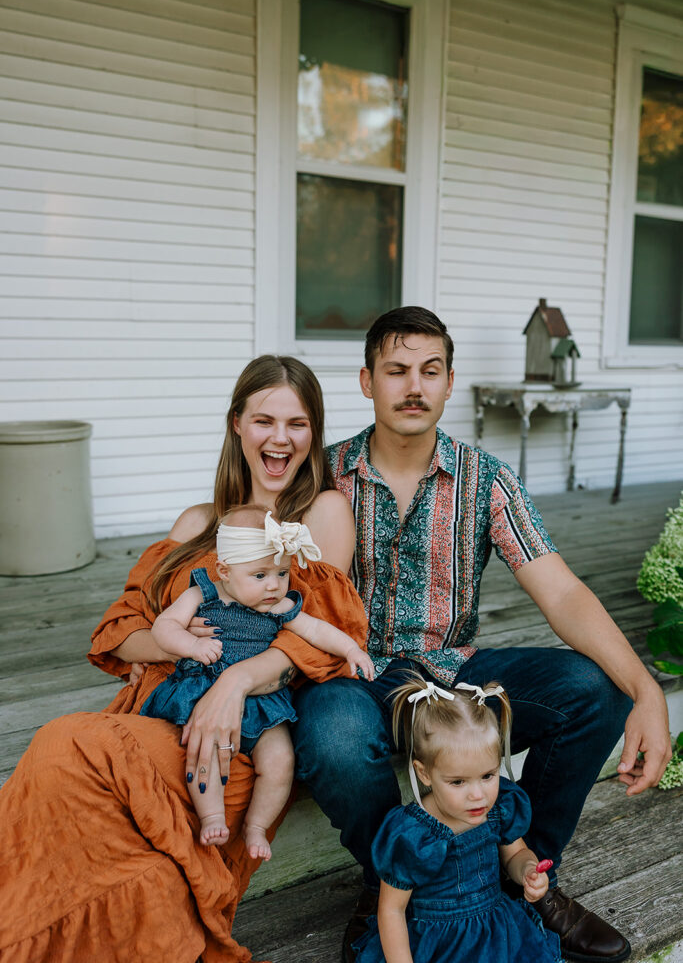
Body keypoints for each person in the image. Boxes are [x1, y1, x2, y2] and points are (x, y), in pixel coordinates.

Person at [292, 306, 672, 963]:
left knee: (593, 688)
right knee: (331, 735)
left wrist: (646, 691)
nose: (413, 386)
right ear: (366, 381)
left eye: (429, 371)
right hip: (352, 672)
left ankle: (524, 876)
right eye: (396, 370)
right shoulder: (321, 476)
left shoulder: (484, 478)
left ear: (447, 381)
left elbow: (559, 590)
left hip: (453, 676)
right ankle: (387, 882)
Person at [0, 355, 369, 963]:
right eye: (264, 420)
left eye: (298, 424)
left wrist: (233, 683)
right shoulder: (196, 523)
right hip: (160, 707)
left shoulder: (317, 516)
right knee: (64, 775)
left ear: (314, 433)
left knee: (64, 744)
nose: (280, 438)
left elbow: (317, 633)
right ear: (236, 426)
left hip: (236, 734)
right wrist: (176, 637)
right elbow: (119, 632)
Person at [141, 504, 373, 854]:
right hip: (204, 688)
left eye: (282, 573)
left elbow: (316, 629)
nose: (274, 585)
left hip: (263, 702)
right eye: (260, 575)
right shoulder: (202, 593)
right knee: (204, 751)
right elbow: (164, 627)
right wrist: (190, 645)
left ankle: (257, 826)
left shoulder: (277, 606)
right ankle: (213, 817)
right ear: (224, 570)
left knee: (280, 760)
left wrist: (351, 650)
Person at [353, 673, 562, 963]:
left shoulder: (499, 807)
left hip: (496, 934)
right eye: (458, 782)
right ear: (424, 773)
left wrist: (527, 871)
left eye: (488, 776)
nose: (478, 795)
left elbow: (516, 854)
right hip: (437, 944)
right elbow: (392, 910)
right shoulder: (413, 835)